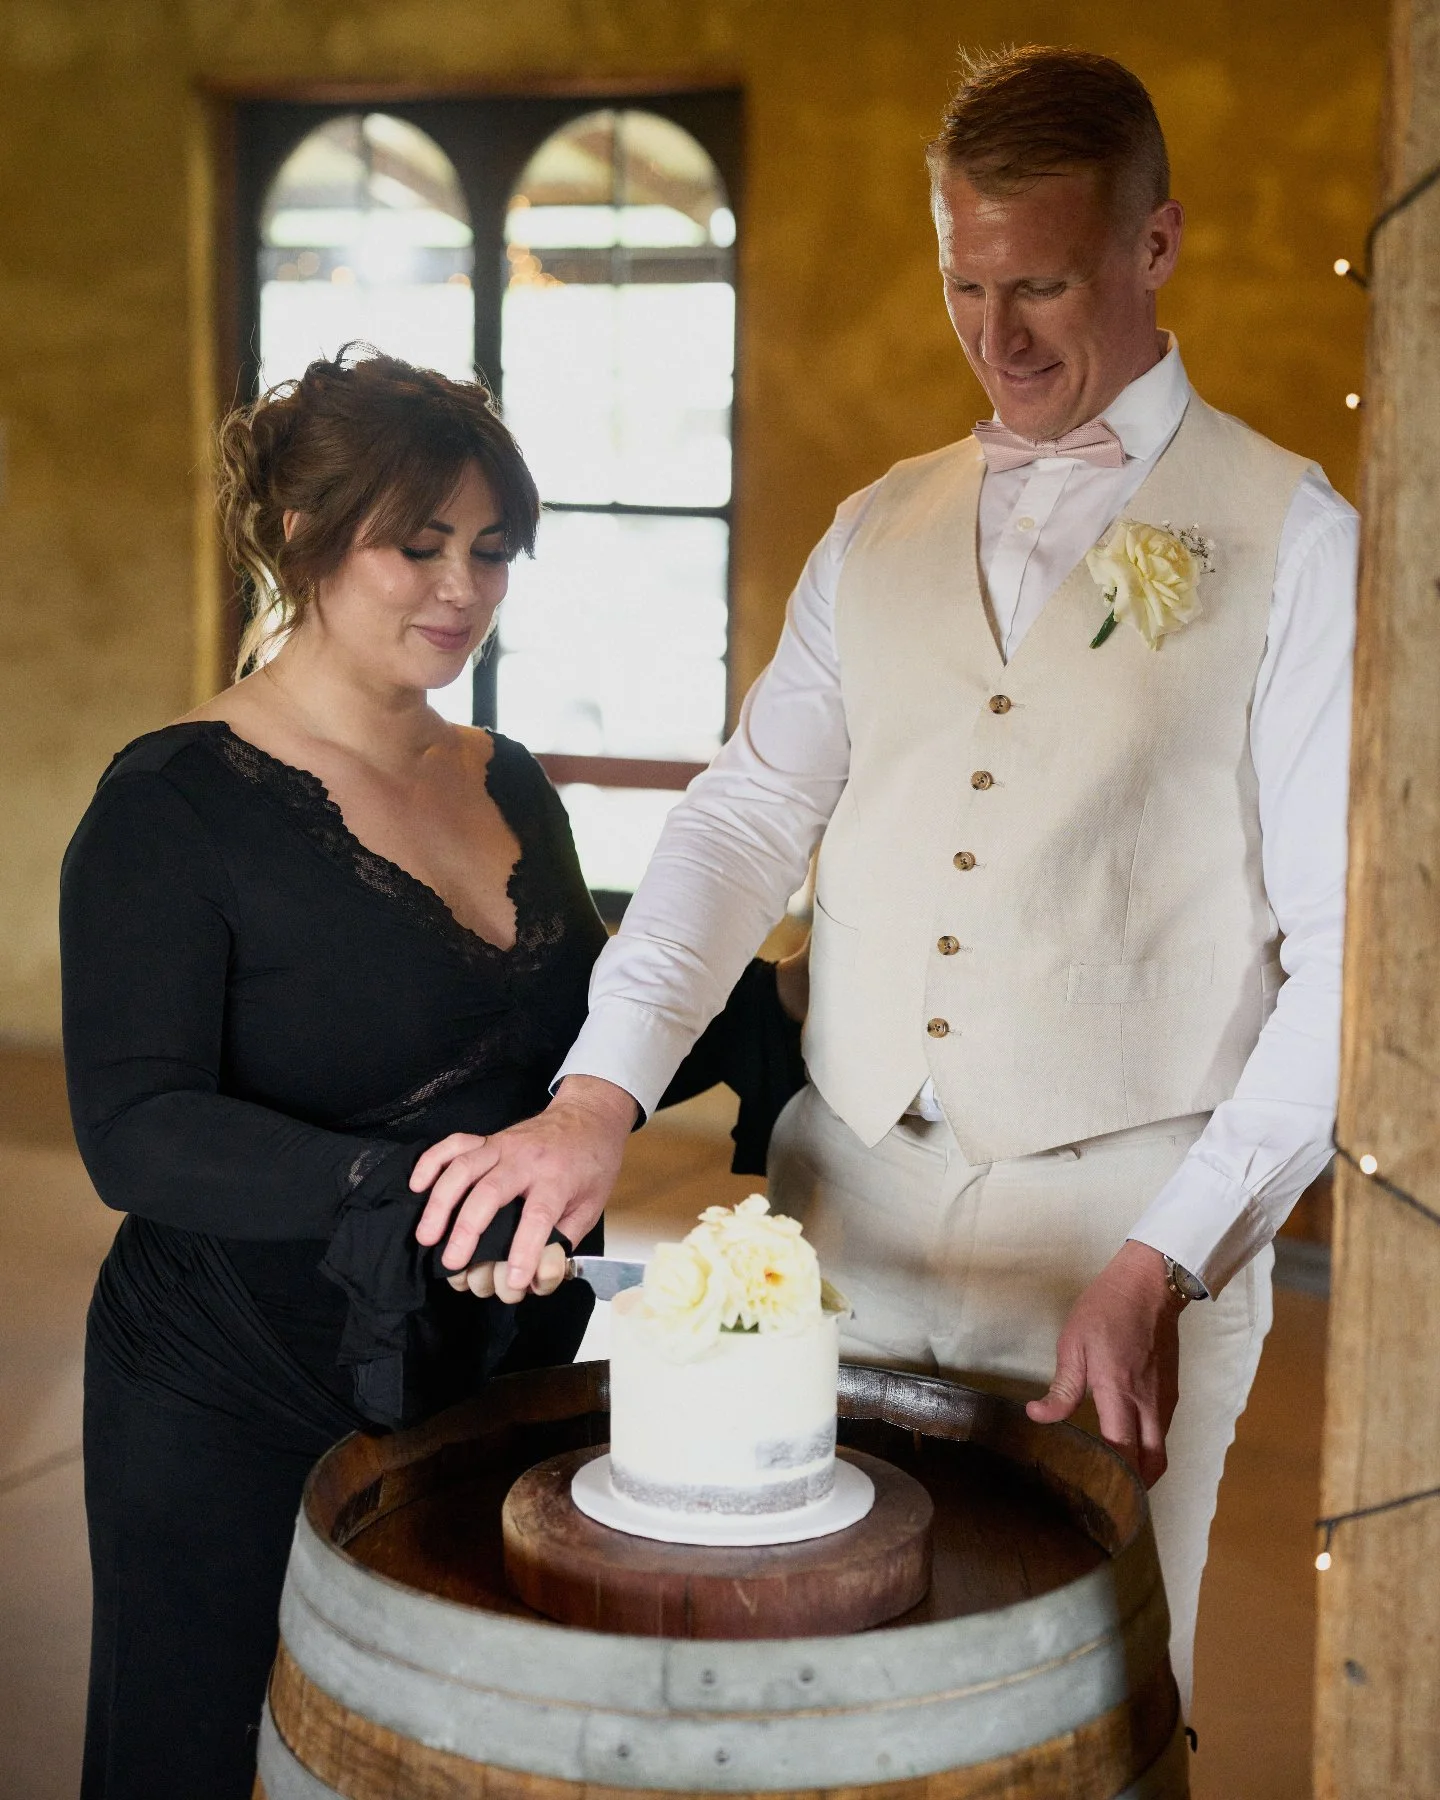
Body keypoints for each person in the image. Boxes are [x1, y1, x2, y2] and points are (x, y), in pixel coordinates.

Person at [409, 48, 1357, 1716]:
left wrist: (1175, 1252)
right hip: (841, 1215)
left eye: (1044, 285)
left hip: (1119, 1230)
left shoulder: (1297, 534)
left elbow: (1350, 956)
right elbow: (741, 820)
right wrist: (598, 1090)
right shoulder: (877, 527)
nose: (998, 341)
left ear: (1155, 247)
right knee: (804, 1678)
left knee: (1090, 1689)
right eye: (964, 285)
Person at [61, 348, 804, 1800]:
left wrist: (791, 999)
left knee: (439, 1760)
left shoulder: (504, 775)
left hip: (484, 1369)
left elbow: (576, 1028)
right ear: (300, 535)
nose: (461, 588)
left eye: (491, 551)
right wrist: (410, 1185)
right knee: (201, 1759)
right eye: (418, 546)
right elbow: (134, 1132)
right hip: (232, 1381)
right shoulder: (169, 806)